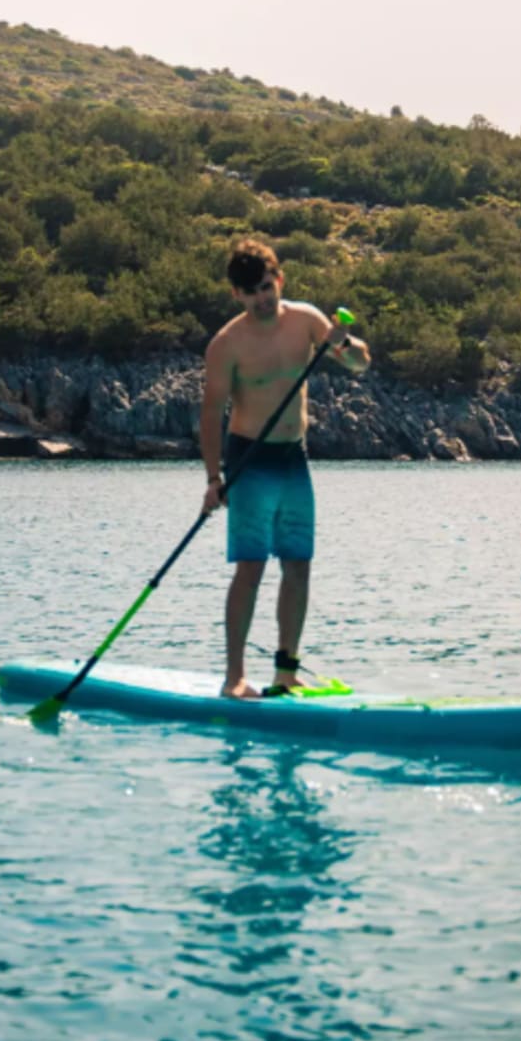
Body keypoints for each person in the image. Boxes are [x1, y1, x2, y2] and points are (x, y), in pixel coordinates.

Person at [199, 238, 370, 699]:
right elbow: (211, 413)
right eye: (251, 291)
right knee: (250, 567)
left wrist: (343, 343)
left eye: (267, 286)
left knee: (298, 565)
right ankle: (235, 677)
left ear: (280, 280)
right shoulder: (227, 344)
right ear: (236, 295)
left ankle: (285, 672)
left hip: (294, 457)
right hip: (249, 459)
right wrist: (214, 479)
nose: (262, 297)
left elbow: (358, 364)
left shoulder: (307, 321)